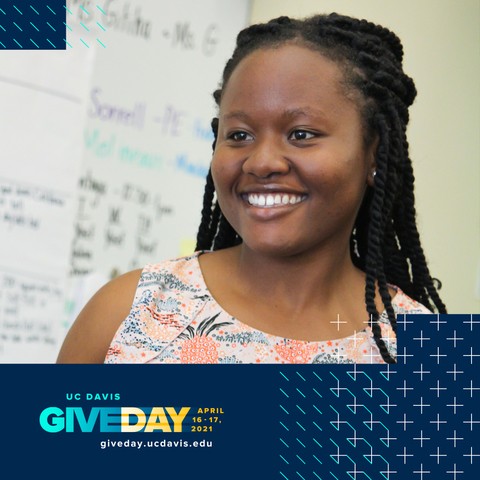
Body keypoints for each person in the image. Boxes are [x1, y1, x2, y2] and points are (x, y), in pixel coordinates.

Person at [57, 13, 446, 365]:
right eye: (239, 134)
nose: (261, 162)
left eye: (301, 134)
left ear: (374, 153)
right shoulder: (126, 312)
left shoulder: (429, 354)